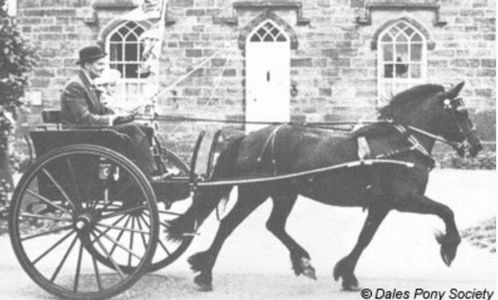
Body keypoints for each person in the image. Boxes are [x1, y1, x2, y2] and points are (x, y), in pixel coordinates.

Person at [60, 45, 157, 176]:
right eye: (100, 64)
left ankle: (153, 171)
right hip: (81, 135)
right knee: (133, 129)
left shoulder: (90, 84)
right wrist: (112, 119)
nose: (103, 68)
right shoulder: (75, 86)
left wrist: (123, 116)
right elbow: (85, 119)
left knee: (144, 127)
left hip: (92, 132)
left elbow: (102, 111)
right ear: (87, 65)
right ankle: (147, 174)